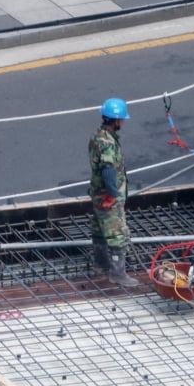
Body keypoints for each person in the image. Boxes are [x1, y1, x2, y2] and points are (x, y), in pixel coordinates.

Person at [89, 97, 138, 287]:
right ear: (116, 120)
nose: (124, 122)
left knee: (100, 229)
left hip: (97, 192)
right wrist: (112, 194)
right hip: (107, 194)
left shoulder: (97, 136)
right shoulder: (108, 143)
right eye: (122, 119)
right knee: (118, 233)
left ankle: (100, 264)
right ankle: (117, 273)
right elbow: (109, 170)